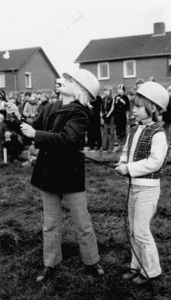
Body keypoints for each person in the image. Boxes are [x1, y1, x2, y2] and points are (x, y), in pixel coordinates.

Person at [6, 69, 104, 282]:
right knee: (50, 223)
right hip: (48, 171)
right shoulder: (49, 107)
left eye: (69, 80)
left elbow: (66, 138)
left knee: (82, 222)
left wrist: (36, 134)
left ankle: (92, 261)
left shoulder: (81, 113)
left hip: (70, 173)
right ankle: (50, 264)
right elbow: (29, 132)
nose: (64, 81)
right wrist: (15, 117)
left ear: (80, 89)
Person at [115, 81, 169, 285]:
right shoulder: (134, 130)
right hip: (133, 187)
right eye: (133, 107)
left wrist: (129, 169)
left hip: (148, 189)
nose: (133, 110)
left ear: (153, 108)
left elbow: (155, 162)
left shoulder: (158, 134)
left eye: (138, 107)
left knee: (141, 230)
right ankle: (135, 265)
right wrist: (122, 162)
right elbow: (126, 151)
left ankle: (152, 271)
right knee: (132, 230)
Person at [114, 84, 130, 151]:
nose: (119, 91)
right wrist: (116, 101)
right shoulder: (116, 97)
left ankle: (123, 145)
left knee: (123, 130)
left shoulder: (126, 97)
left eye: (120, 89)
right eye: (118, 89)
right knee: (118, 131)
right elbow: (114, 107)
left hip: (123, 116)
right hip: (117, 117)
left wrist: (122, 101)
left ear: (123, 91)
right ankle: (119, 144)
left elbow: (127, 107)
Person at [101, 86, 114, 152]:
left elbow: (112, 108)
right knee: (105, 131)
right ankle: (104, 146)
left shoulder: (112, 99)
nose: (106, 92)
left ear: (110, 92)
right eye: (105, 91)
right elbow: (102, 108)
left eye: (107, 91)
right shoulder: (103, 99)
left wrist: (108, 116)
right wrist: (103, 115)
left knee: (111, 131)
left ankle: (110, 147)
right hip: (105, 116)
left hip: (111, 116)